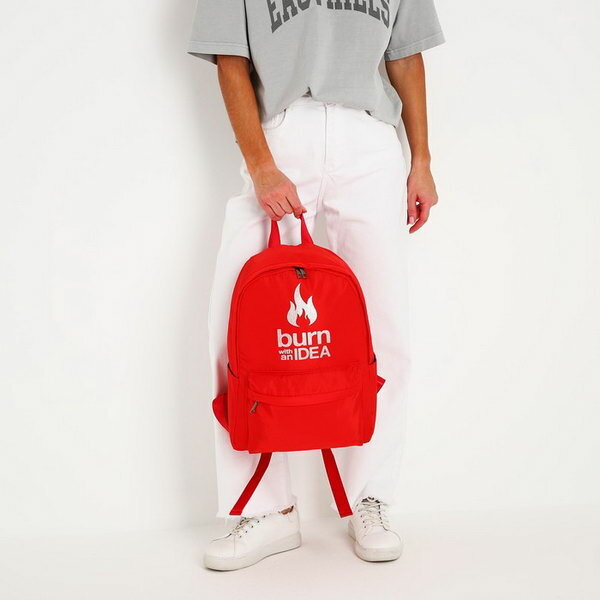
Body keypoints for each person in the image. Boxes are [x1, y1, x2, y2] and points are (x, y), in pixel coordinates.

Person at [188, 0, 444, 571]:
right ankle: (267, 509)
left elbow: (405, 57)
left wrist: (421, 160)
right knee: (237, 328)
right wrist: (261, 165)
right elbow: (230, 60)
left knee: (385, 327)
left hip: (370, 139)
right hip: (282, 134)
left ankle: (369, 498)